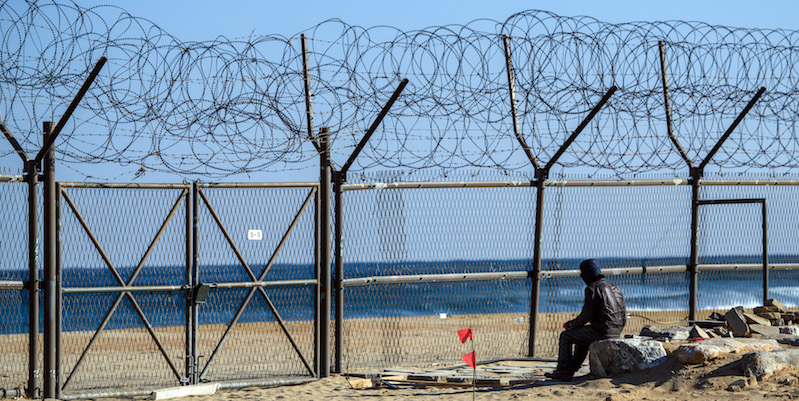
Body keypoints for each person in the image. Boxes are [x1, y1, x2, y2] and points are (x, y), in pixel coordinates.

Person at [546, 259, 626, 382]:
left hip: (602, 331)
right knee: (581, 338)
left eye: (582, 274)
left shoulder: (592, 289)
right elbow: (623, 314)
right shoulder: (614, 287)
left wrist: (571, 324)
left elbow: (586, 315)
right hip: (616, 329)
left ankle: (563, 370)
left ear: (586, 274)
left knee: (566, 336)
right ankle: (571, 369)